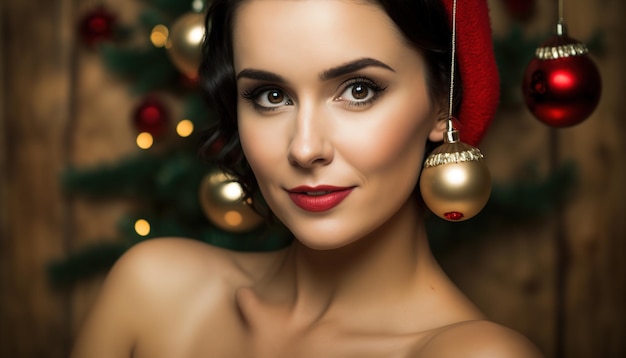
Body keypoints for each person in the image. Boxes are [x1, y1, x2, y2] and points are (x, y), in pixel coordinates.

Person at [71, 0, 544, 357]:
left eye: (358, 91)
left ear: (442, 100)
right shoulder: (154, 290)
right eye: (271, 96)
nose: (304, 148)